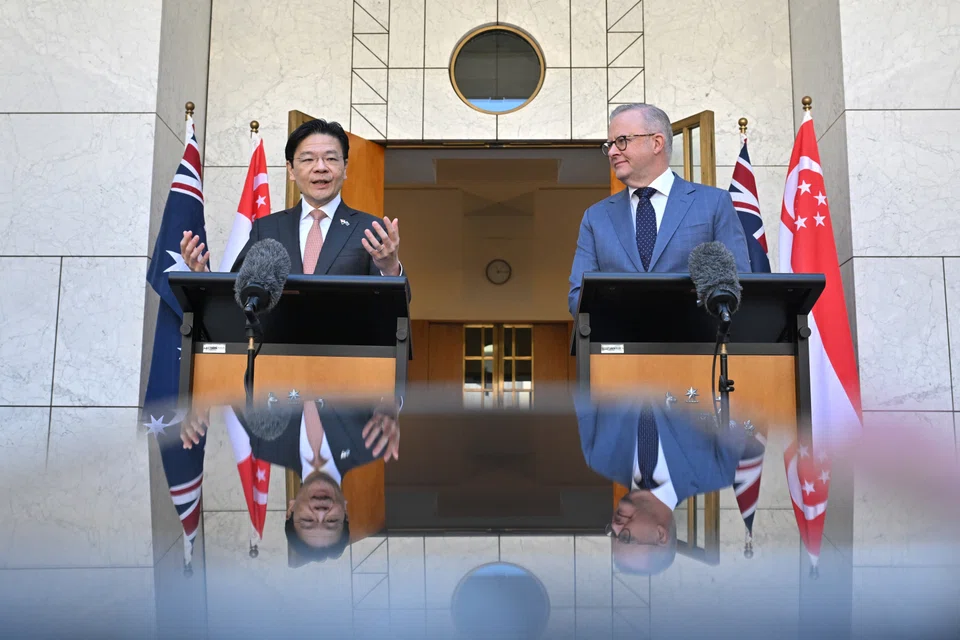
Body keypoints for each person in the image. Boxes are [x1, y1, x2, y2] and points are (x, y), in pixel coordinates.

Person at [568, 103, 751, 317]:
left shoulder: (713, 203)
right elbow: (578, 297)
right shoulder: (596, 217)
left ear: (656, 143)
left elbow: (739, 283)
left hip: (697, 345)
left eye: (622, 141)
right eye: (610, 145)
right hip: (622, 345)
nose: (612, 152)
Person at [181, 397, 400, 565]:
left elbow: (235, 382)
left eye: (308, 521)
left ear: (291, 509)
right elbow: (389, 371)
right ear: (345, 510)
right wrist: (389, 405)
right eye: (331, 522)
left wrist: (201, 401)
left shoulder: (266, 446)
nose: (321, 512)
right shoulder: (371, 445)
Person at [179, 118, 404, 280]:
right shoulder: (266, 229)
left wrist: (390, 267)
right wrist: (203, 277)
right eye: (308, 160)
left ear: (345, 168)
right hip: (278, 345)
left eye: (331, 159)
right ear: (291, 170)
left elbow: (396, 307)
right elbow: (239, 294)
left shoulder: (368, 229)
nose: (321, 168)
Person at [576, 397, 747, 574]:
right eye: (627, 538)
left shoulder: (598, 456)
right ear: (660, 535)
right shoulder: (720, 470)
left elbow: (578, 379)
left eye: (614, 534)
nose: (616, 526)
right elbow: (743, 394)